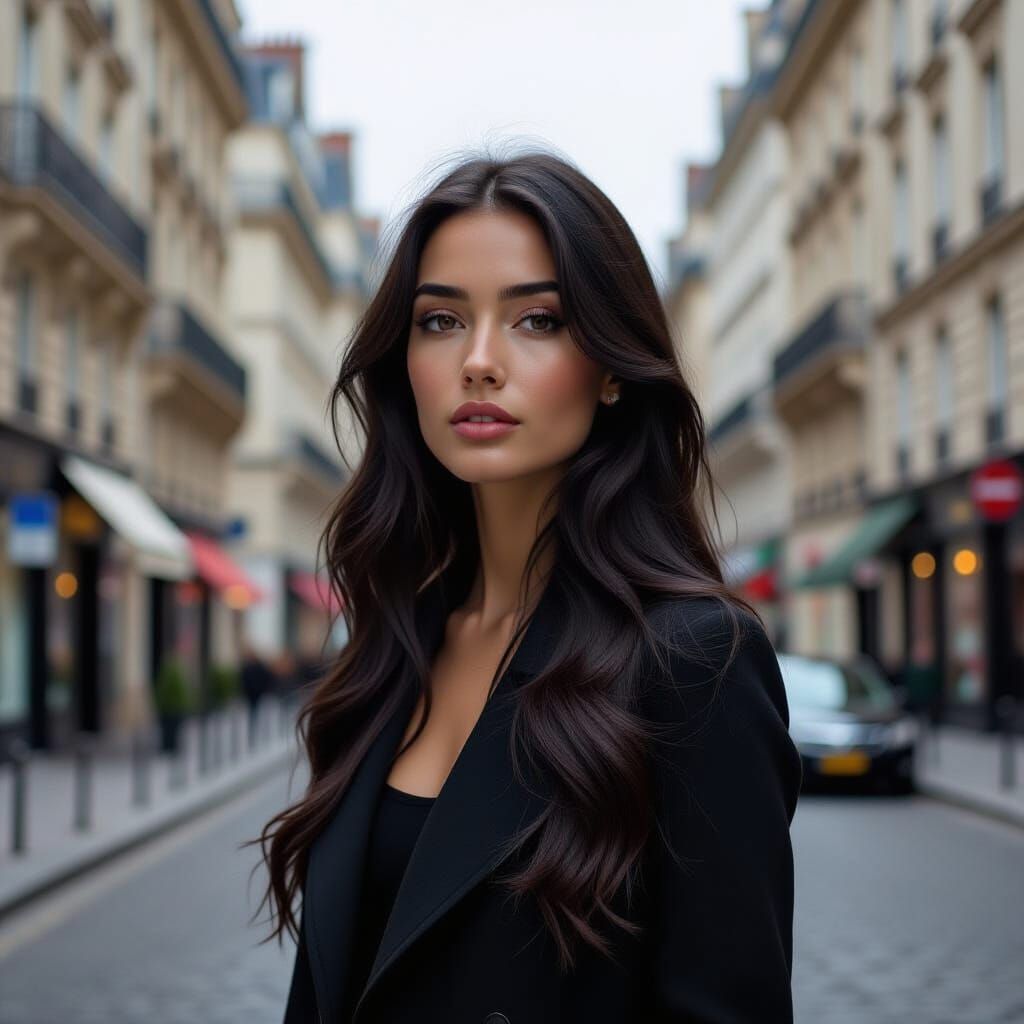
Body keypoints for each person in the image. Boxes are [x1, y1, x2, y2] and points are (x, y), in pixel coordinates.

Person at [246, 146, 803, 1023]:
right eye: (439, 322)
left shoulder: (694, 662)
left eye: (537, 320)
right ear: (406, 366)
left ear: (615, 366)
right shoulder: (397, 640)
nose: (478, 360)